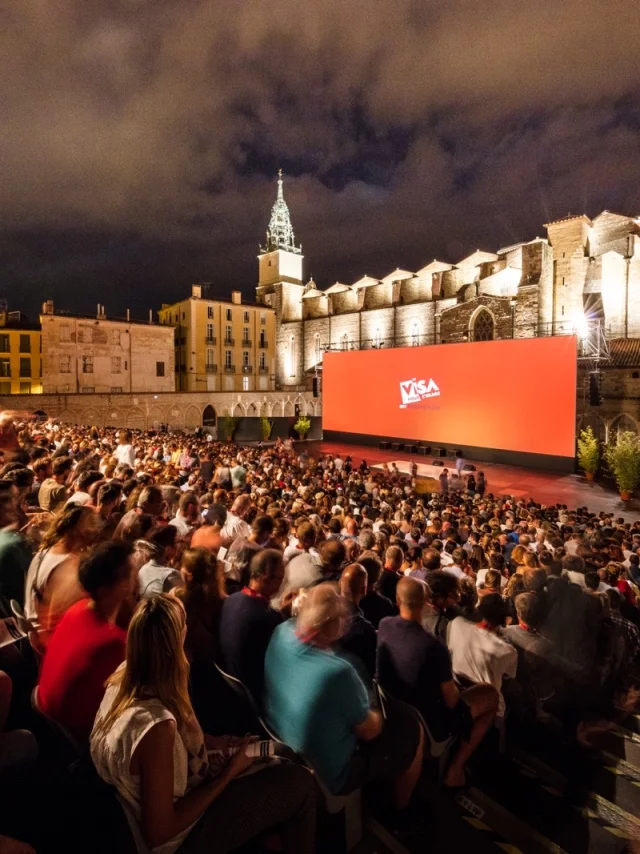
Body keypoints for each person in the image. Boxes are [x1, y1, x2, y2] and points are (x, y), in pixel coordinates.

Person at [90, 595, 316, 854]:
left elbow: (156, 761)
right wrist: (230, 772)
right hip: (182, 841)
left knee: (278, 765)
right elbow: (160, 832)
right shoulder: (156, 728)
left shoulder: (123, 677)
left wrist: (212, 745)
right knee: (302, 784)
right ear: (175, 644)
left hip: (167, 801)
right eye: (184, 623)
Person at [264, 583, 424, 806]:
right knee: (412, 728)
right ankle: (401, 810)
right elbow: (371, 731)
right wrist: (375, 708)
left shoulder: (281, 631)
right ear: (331, 626)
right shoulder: (339, 672)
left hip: (286, 742)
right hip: (330, 772)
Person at [377, 578, 498, 788]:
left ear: (397, 600)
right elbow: (452, 702)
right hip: (431, 725)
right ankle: (455, 770)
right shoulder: (433, 647)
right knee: (490, 694)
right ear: (425, 602)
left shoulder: (384, 624)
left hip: (393, 709)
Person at [36, 541, 136, 741]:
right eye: (133, 572)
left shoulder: (78, 608)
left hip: (45, 711)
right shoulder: (113, 642)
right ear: (123, 585)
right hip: (74, 733)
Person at [24, 505, 99, 649]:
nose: (95, 529)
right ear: (75, 530)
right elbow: (54, 622)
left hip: (33, 631)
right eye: (91, 523)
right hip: (50, 643)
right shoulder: (68, 566)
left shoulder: (44, 552)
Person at [218, 549, 285, 701]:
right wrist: (284, 616)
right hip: (252, 695)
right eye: (280, 579)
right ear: (266, 578)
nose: (282, 585)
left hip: (227, 684)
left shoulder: (231, 599)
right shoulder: (268, 617)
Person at [447, 594, 518, 718]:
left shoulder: (455, 624)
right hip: (488, 709)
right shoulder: (506, 650)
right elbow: (509, 675)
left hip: (458, 694)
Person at [338, 563, 377, 681]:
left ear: (340, 583)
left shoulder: (325, 613)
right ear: (364, 590)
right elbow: (370, 670)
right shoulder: (364, 629)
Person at [138, 525, 183, 598]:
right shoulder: (171, 575)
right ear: (167, 549)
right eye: (177, 542)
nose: (179, 546)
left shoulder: (142, 569)